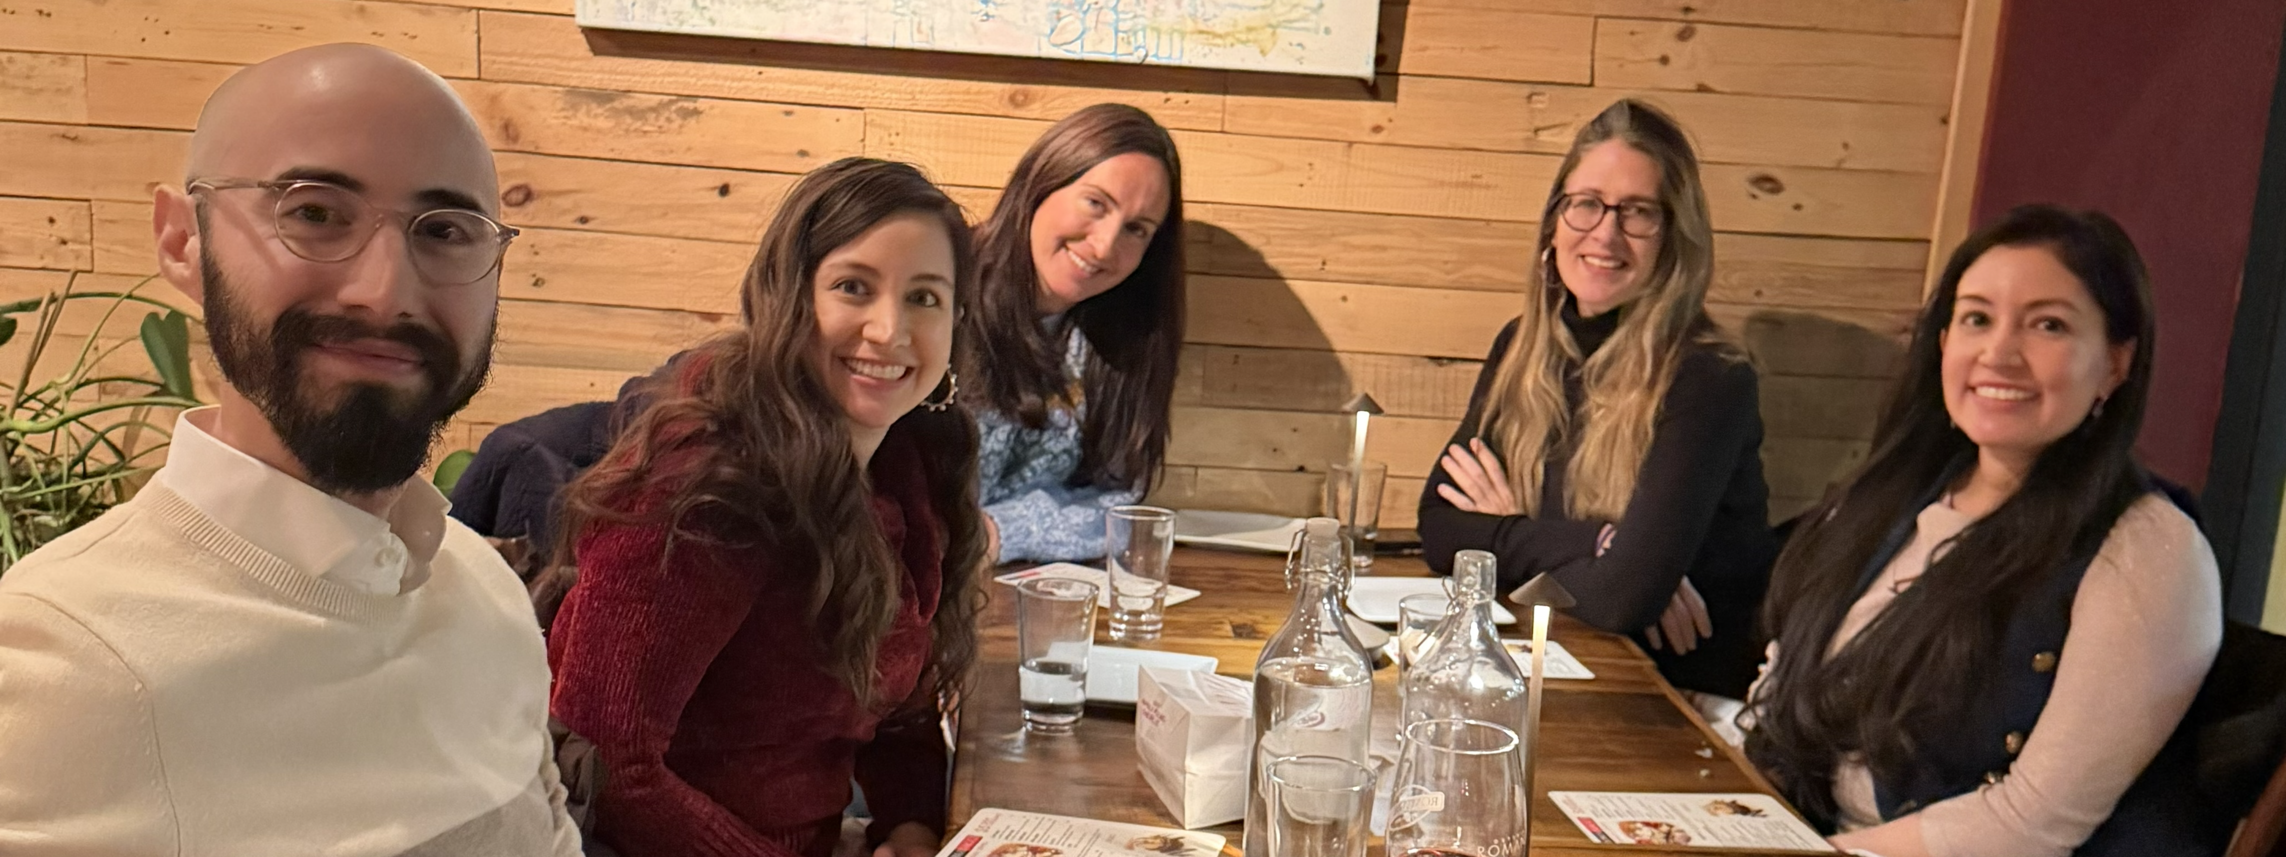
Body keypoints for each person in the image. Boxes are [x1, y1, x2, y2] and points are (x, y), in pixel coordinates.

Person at [0, 44, 580, 854]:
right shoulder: (62, 661)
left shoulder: (484, 590)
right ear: (183, 241)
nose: (384, 291)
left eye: (445, 230)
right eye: (314, 212)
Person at [1743, 206, 2223, 856]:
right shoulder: (1886, 498)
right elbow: (1781, 697)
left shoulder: (2148, 551)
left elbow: (2032, 824)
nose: (1999, 353)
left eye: (2048, 324)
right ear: (1944, 341)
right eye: (1977, 318)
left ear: (2115, 363)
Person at [543, 158, 987, 857]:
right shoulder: (704, 488)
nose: (889, 329)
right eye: (853, 287)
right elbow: (608, 766)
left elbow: (899, 711)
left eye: (924, 297)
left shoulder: (913, 466)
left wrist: (910, 826)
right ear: (788, 299)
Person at [1417, 99, 1778, 698]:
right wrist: (1592, 542)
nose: (1606, 234)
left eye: (1637, 212)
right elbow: (1439, 528)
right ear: (1555, 221)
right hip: (1560, 661)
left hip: (1679, 697)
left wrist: (1506, 532)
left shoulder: (1709, 377)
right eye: (1586, 203)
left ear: (1674, 238)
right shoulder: (1521, 347)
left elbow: (1620, 599)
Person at [960, 103, 1184, 563]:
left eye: (1136, 229)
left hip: (1012, 586)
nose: (1104, 246)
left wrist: (998, 532)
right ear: (1041, 183)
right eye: (1096, 204)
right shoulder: (936, 289)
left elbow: (1121, 503)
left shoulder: (1125, 338)